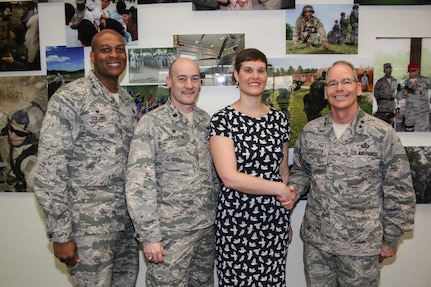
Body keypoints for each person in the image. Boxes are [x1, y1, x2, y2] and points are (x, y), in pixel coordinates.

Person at [288, 60, 416, 287]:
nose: (339, 88)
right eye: (333, 83)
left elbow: (400, 189)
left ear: (358, 88)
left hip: (361, 247)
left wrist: (390, 238)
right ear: (326, 92)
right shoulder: (311, 132)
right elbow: (302, 171)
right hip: (318, 244)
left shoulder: (381, 134)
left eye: (346, 82)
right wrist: (293, 190)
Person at [34, 30, 139, 287]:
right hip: (88, 228)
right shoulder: (71, 97)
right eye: (105, 49)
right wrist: (61, 234)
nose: (114, 55)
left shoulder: (126, 102)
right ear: (92, 56)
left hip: (125, 226)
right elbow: (50, 170)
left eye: (119, 49)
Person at [125, 58, 220, 287]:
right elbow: (139, 184)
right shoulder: (151, 124)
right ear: (169, 82)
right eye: (182, 79)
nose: (189, 85)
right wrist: (150, 236)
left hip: (206, 230)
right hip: (170, 236)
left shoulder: (205, 121)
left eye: (194, 79)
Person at [209, 48, 295, 286]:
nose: (254, 76)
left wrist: (285, 215)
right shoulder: (223, 120)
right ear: (236, 75)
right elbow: (230, 178)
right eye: (248, 70)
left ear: (267, 75)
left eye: (260, 70)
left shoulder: (280, 121)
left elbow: (283, 172)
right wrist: (279, 189)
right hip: (236, 223)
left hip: (273, 223)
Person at [0, 102, 44, 192]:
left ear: (31, 136)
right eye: (11, 129)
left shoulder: (30, 161)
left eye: (20, 133)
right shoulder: (5, 126)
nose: (12, 135)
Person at [396, 62, 431, 132]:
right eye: (410, 72)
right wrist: (403, 93)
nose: (412, 74)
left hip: (422, 113)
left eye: (414, 71)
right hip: (410, 114)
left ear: (418, 70)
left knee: (422, 135)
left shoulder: (425, 80)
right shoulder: (405, 82)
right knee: (409, 134)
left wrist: (421, 85)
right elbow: (397, 96)